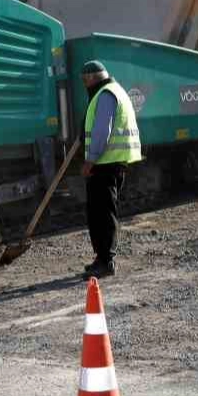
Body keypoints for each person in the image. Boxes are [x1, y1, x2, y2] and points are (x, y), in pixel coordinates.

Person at [79, 60, 142, 279]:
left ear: (90, 79)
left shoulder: (105, 95)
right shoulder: (115, 90)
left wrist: (90, 160)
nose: (84, 85)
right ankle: (101, 258)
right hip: (111, 162)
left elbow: (101, 131)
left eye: (84, 81)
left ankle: (106, 261)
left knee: (103, 214)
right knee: (100, 212)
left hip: (105, 163)